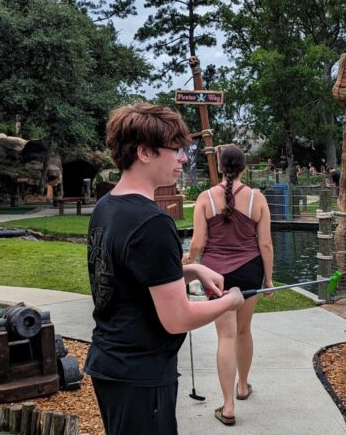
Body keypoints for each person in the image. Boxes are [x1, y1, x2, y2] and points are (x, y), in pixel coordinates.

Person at [86, 103, 244, 435]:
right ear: (145, 152)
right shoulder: (152, 222)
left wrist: (192, 271)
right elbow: (178, 319)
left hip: (110, 363)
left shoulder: (107, 206)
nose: (184, 158)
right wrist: (230, 302)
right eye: (176, 150)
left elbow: (128, 276)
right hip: (140, 373)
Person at [184, 144, 274, 426]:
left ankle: (228, 406)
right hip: (249, 271)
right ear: (244, 167)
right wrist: (268, 279)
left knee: (226, 336)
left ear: (221, 167)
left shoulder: (205, 198)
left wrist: (188, 261)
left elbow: (197, 243)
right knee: (244, 330)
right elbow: (266, 244)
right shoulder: (257, 198)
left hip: (215, 274)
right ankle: (243, 386)